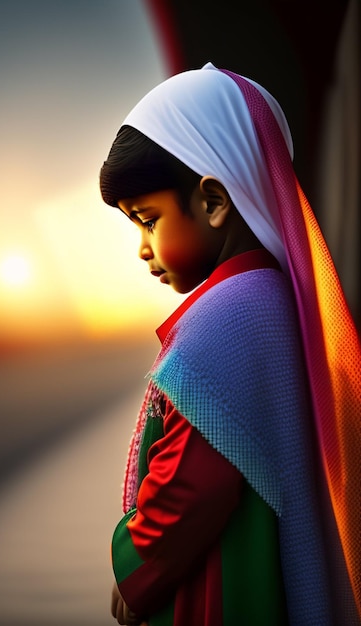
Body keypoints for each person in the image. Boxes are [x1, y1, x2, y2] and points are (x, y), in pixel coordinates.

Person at [99, 63, 361, 625]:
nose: (143, 248)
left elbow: (189, 484)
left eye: (149, 220)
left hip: (224, 588)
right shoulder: (270, 297)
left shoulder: (229, 316)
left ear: (213, 202)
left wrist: (136, 562)